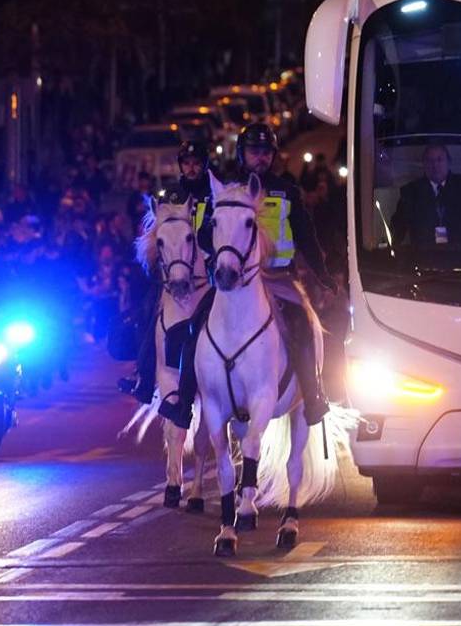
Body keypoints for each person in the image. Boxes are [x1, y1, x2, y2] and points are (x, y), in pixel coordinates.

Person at [159, 123, 336, 428]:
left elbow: (306, 238)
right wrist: (219, 256)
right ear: (242, 154)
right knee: (195, 328)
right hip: (234, 283)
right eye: (254, 151)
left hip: (279, 279)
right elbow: (203, 236)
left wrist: (324, 277)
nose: (261, 158)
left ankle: (313, 396)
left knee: (303, 326)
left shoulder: (288, 191)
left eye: (266, 152)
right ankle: (184, 404)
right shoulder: (227, 191)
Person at [117, 141, 212, 404]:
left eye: (196, 163)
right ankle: (144, 377)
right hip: (176, 274)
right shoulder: (171, 194)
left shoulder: (215, 193)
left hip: (212, 272)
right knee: (149, 313)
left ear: (204, 165)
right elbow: (154, 237)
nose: (191, 168)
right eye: (187, 163)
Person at [390, 143, 461, 246]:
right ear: (424, 164)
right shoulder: (411, 192)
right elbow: (397, 227)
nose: (435, 165)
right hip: (423, 256)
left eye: (439, 160)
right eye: (430, 160)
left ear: (448, 162)